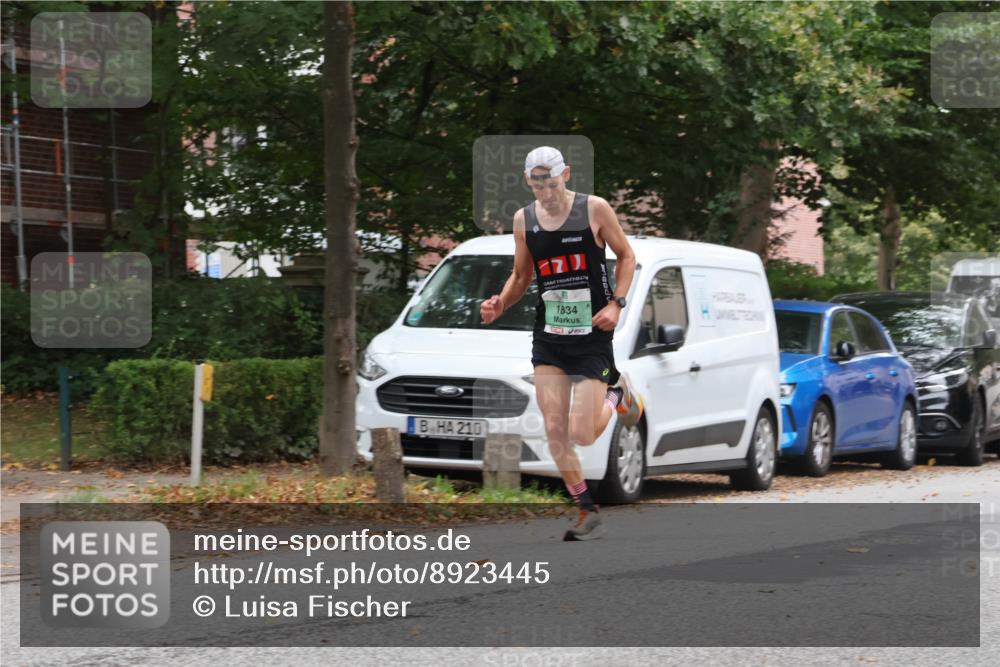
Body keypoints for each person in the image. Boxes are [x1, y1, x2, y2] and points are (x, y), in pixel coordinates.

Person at [480, 146, 644, 541]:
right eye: (537, 185)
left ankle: (616, 394)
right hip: (550, 335)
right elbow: (521, 277)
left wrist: (617, 304)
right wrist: (501, 301)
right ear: (528, 181)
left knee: (582, 433)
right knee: (554, 429)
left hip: (592, 337)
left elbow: (626, 257)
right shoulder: (524, 220)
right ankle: (588, 511)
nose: (546, 192)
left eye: (551, 183)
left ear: (566, 174)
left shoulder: (594, 210)